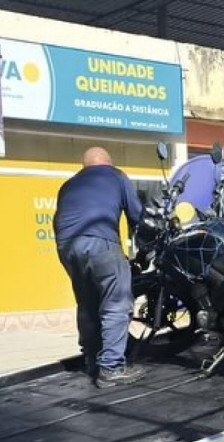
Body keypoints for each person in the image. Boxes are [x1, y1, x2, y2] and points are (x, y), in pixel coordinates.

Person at [54, 147, 145, 387]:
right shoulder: (116, 176)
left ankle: (91, 360)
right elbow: (137, 216)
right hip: (100, 241)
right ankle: (111, 368)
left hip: (66, 246)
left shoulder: (69, 185)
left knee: (87, 303)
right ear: (109, 162)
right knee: (117, 303)